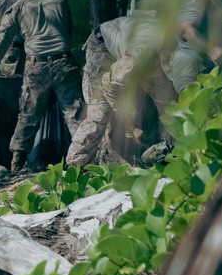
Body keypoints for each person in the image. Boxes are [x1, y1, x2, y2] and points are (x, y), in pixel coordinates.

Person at [0, 0, 84, 171]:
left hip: (37, 66)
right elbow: (67, 33)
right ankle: (84, 162)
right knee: (75, 112)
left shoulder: (19, 6)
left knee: (28, 114)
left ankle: (17, 162)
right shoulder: (59, 2)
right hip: (65, 63)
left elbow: (0, 42)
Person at [65, 14, 177, 166]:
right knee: (100, 111)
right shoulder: (135, 60)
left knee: (168, 103)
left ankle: (176, 153)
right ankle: (74, 167)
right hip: (103, 44)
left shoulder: (182, 52)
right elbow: (110, 88)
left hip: (145, 45)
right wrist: (132, 127)